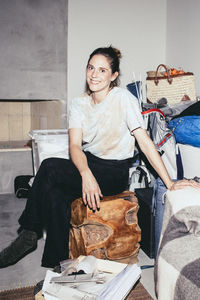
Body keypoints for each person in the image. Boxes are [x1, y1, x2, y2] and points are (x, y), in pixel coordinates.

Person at [0, 46, 199, 269]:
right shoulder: (79, 104)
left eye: (102, 70)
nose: (94, 74)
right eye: (91, 68)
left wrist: (169, 182)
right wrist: (85, 174)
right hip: (89, 162)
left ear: (113, 76)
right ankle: (59, 265)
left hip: (113, 171)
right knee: (55, 194)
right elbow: (74, 146)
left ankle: (28, 233)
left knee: (48, 167)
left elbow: (144, 141)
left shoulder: (122, 98)